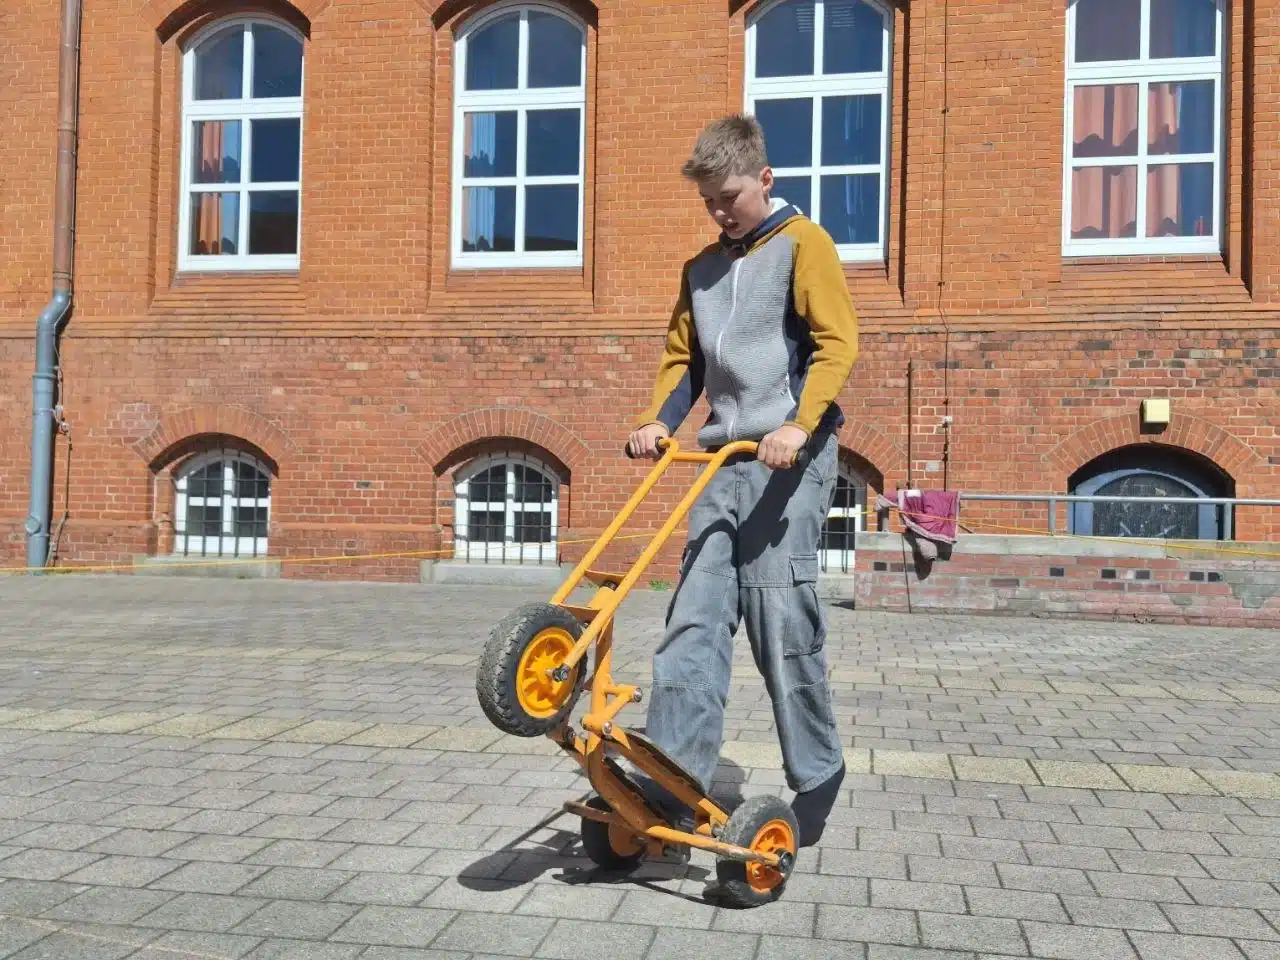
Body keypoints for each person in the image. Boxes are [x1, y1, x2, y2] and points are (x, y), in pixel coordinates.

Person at [625, 113, 859, 847]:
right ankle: (676, 772)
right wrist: (658, 420)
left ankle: (817, 770)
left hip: (790, 456)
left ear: (764, 178)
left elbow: (835, 343)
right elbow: (685, 360)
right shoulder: (701, 269)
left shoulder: (803, 244)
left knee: (778, 611)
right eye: (708, 203)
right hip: (724, 460)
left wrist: (797, 425)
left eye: (729, 197)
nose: (720, 213)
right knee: (693, 614)